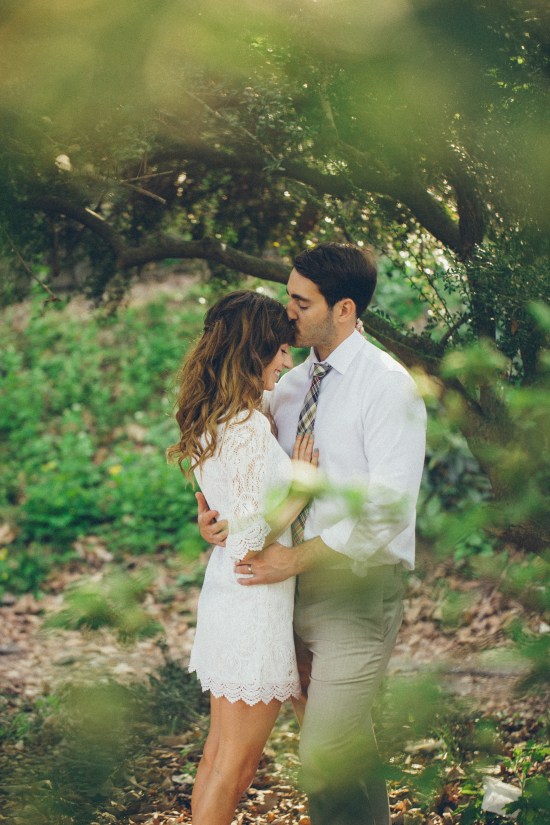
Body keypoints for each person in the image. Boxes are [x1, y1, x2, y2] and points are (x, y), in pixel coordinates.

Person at [198, 243, 427, 825]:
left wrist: (292, 559)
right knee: (339, 744)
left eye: (301, 301)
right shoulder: (287, 384)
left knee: (325, 750)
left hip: (354, 586)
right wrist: (214, 515)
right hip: (282, 594)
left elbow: (389, 508)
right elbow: (238, 456)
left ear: (344, 309)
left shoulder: (387, 387)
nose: (289, 311)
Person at [167, 290, 321, 825]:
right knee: (235, 765)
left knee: (218, 758)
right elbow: (252, 533)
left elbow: (231, 519)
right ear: (253, 350)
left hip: (231, 592)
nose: (287, 359)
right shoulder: (249, 428)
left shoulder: (219, 417)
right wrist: (301, 489)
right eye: (279, 349)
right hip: (251, 601)